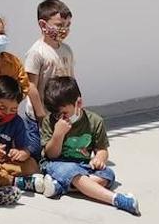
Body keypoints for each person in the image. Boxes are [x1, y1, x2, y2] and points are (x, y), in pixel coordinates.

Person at [34, 77, 140, 216]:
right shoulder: (50, 121)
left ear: (78, 103)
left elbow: (102, 150)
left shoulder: (95, 121)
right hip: (56, 163)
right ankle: (116, 199)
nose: (60, 118)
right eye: (56, 114)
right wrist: (58, 135)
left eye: (64, 113)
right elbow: (51, 155)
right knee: (70, 170)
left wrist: (99, 159)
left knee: (108, 174)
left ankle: (59, 186)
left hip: (82, 165)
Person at [23, 0, 76, 121]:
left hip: (62, 115)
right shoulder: (36, 52)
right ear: (43, 25)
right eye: (59, 25)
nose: (64, 29)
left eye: (68, 25)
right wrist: (40, 114)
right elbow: (31, 86)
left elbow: (71, 79)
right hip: (40, 117)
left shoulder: (67, 50)